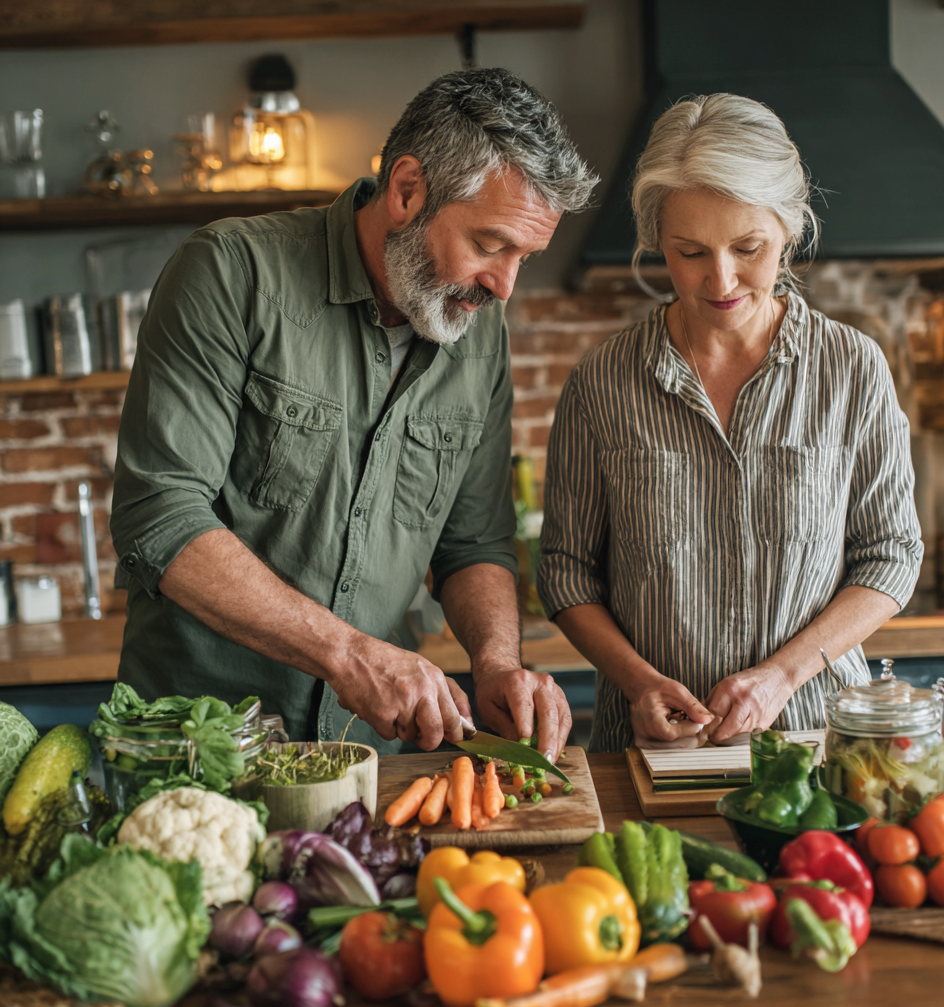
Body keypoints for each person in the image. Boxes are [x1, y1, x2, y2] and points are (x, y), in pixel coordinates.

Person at [110, 68, 598, 757]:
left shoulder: (478, 332)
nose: (505, 285)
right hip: (199, 749)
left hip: (370, 759)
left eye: (526, 256)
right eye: (490, 245)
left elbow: (474, 544)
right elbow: (159, 515)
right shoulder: (231, 272)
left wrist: (495, 663)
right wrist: (347, 654)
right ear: (407, 191)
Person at [537, 93, 923, 752]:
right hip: (652, 748)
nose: (721, 280)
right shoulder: (603, 380)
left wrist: (781, 676)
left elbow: (891, 556)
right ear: (657, 238)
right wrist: (637, 682)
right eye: (690, 252)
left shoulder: (851, 368)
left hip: (816, 744)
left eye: (748, 247)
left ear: (790, 229)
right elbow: (567, 571)